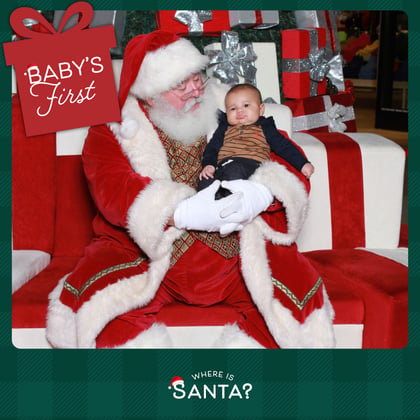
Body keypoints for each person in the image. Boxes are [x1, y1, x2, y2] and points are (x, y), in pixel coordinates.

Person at [46, 30, 335, 349]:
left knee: (293, 308)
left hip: (239, 256)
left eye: (197, 76)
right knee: (99, 311)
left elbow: (287, 156)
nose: (195, 88)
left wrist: (261, 194)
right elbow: (111, 187)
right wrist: (180, 211)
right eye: (179, 83)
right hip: (149, 256)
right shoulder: (113, 129)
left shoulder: (229, 108)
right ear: (150, 94)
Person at [198, 83, 314, 199]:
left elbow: (284, 146)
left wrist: (302, 163)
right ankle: (210, 207)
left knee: (234, 172)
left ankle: (231, 204)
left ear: (261, 109)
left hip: (251, 167)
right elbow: (212, 148)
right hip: (223, 168)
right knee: (205, 181)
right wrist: (209, 165)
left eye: (246, 105)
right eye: (233, 108)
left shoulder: (265, 127)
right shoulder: (224, 128)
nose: (239, 111)